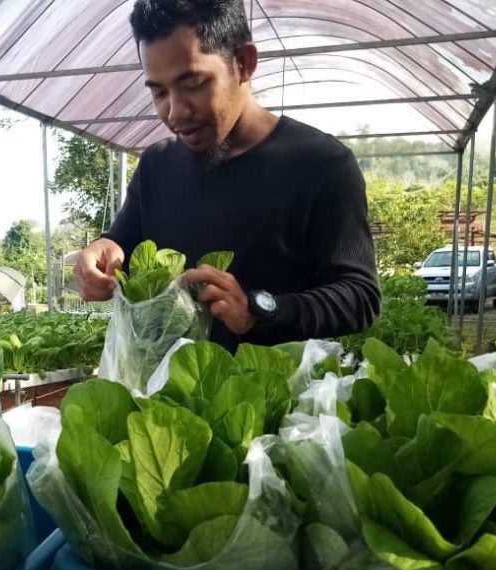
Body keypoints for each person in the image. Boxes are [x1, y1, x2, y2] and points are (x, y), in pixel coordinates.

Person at [74, 0, 380, 352]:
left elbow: (360, 297)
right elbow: (122, 242)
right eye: (159, 92)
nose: (175, 112)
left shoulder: (321, 164)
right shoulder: (156, 167)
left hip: (272, 385)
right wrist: (102, 251)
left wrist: (258, 310)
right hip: (167, 385)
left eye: (193, 83)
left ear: (244, 63)